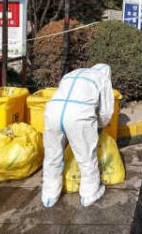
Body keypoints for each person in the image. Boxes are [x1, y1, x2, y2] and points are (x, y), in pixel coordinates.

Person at [42, 63, 114, 208]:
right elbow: (106, 112)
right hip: (78, 116)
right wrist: (99, 126)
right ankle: (89, 194)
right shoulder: (103, 78)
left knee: (52, 156)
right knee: (86, 157)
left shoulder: (72, 74)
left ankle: (49, 196)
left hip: (52, 113)